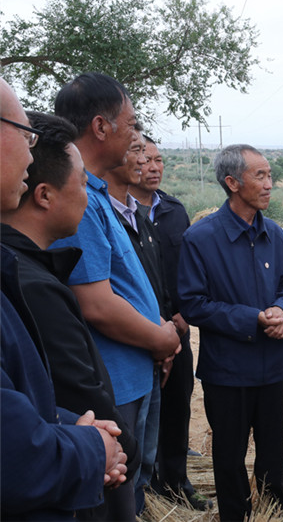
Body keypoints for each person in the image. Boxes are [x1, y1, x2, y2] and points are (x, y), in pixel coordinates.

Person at [49, 72, 181, 515]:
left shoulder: (102, 194)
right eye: (132, 122)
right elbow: (96, 305)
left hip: (137, 370)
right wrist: (160, 338)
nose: (136, 136)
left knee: (136, 489)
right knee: (118, 498)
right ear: (101, 127)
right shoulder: (78, 197)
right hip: (115, 382)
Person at [1, 110, 141, 520]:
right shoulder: (31, 285)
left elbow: (36, 406)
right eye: (82, 183)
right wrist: (106, 447)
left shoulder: (29, 271)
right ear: (45, 195)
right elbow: (71, 394)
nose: (87, 195)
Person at [178, 144, 283, 521]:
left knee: (274, 447)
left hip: (274, 366)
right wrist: (253, 319)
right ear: (232, 182)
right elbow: (193, 303)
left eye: (269, 175)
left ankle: (276, 509)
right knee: (229, 453)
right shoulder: (200, 238)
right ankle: (236, 514)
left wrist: (282, 310)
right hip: (227, 370)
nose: (269, 184)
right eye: (259, 176)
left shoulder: (275, 234)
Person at [128, 135, 210, 510]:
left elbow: (190, 269)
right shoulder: (115, 215)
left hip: (177, 328)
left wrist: (184, 313)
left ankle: (175, 481)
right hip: (135, 329)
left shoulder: (175, 211)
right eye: (145, 159)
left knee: (178, 404)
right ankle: (135, 491)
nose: (154, 166)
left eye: (159, 159)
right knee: (138, 413)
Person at [105, 127, 176, 513]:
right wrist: (158, 338)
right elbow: (99, 304)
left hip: (149, 355)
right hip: (125, 363)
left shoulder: (139, 218)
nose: (144, 161)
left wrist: (163, 330)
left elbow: (150, 287)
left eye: (151, 156)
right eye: (136, 151)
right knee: (126, 462)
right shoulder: (93, 212)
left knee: (142, 460)